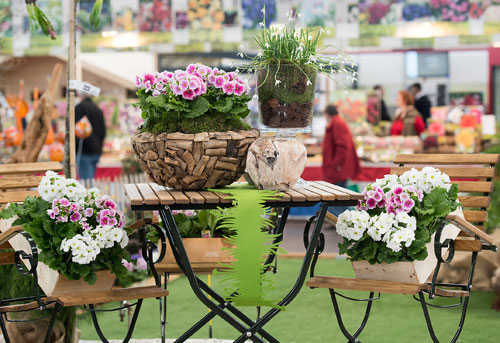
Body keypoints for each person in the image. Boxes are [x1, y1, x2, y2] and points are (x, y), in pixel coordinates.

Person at [322, 104, 360, 217]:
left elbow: (342, 146)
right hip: (338, 167)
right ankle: (338, 219)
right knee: (338, 195)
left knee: (338, 196)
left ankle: (341, 220)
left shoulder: (337, 124)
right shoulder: (337, 122)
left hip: (338, 168)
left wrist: (336, 164)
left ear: (327, 114)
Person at [75, 96, 106, 180]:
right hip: (96, 150)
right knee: (90, 178)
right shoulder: (98, 109)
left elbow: (76, 131)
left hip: (84, 150)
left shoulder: (78, 108)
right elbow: (103, 131)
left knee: (87, 182)